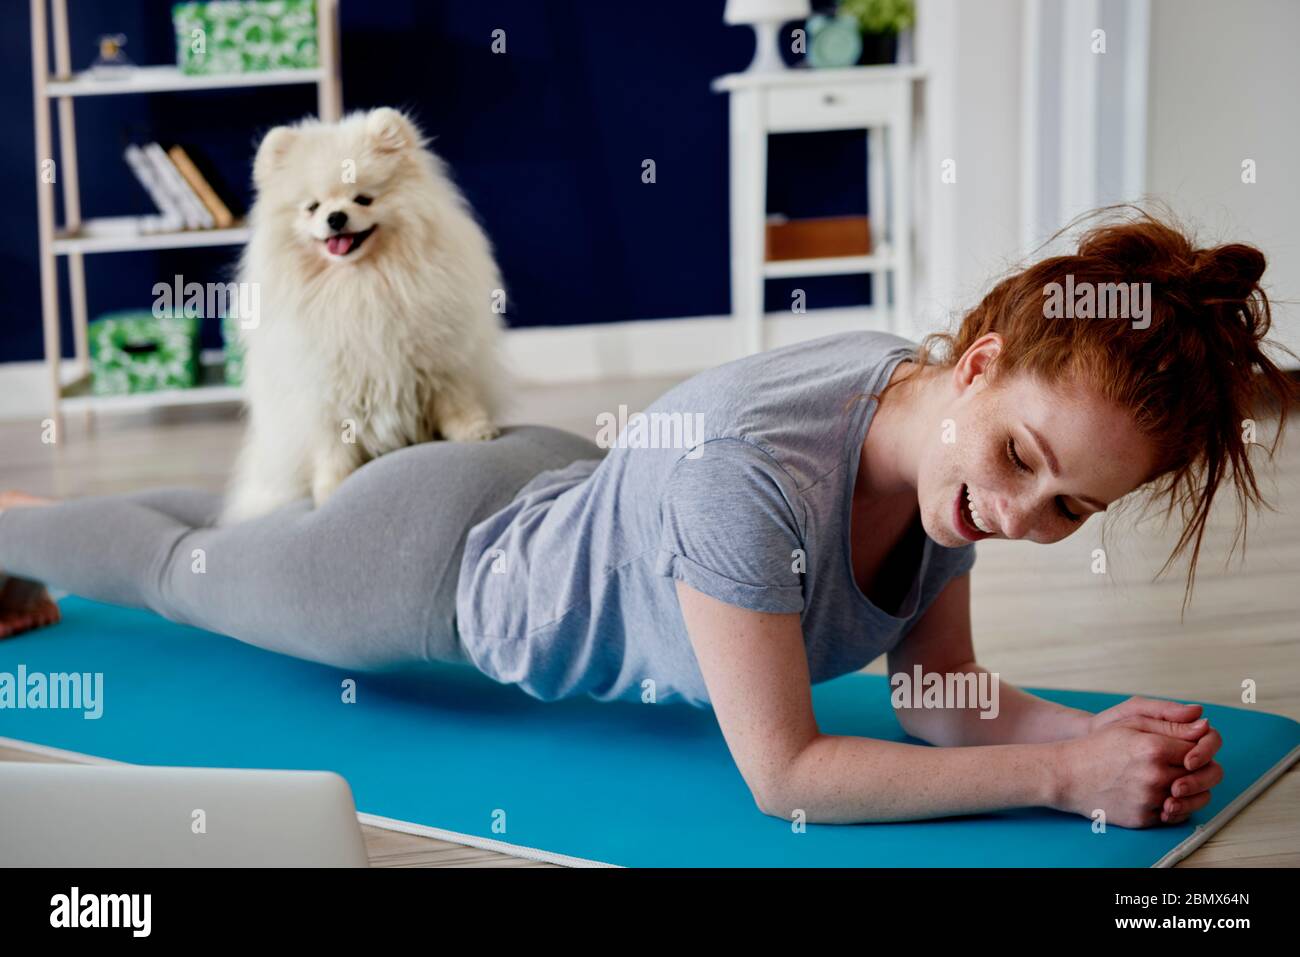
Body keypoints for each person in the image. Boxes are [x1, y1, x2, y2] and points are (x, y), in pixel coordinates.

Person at [1, 209, 1294, 829]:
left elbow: (938, 694)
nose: (1017, 511)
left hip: (558, 485)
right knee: (183, 569)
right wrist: (1067, 775)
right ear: (977, 361)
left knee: (225, 538)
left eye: (1069, 504)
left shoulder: (944, 443)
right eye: (1021, 458)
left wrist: (1103, 733)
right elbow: (787, 774)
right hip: (424, 566)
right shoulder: (752, 477)